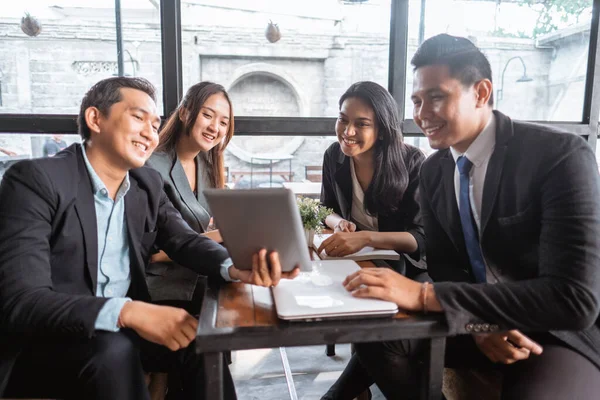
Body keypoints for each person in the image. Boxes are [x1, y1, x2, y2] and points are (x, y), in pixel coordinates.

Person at [335, 34, 600, 399]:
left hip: (554, 333)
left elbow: (575, 300)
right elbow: (446, 268)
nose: (422, 114)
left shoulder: (558, 156)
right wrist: (477, 322)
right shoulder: (434, 172)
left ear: (481, 92)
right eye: (416, 101)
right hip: (475, 320)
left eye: (437, 97)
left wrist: (427, 297)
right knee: (376, 336)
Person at [0, 76, 299, 400]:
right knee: (113, 352)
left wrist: (234, 266)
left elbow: (184, 240)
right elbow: (22, 302)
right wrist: (129, 312)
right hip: (52, 340)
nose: (149, 132)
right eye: (138, 117)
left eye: (155, 123)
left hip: (123, 332)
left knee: (203, 339)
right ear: (95, 118)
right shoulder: (36, 180)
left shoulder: (146, 183)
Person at [319, 81, 428, 400]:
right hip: (357, 258)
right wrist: (338, 222)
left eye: (361, 123)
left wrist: (368, 238)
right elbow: (326, 208)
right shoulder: (334, 157)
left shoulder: (412, 162)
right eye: (342, 119)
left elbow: (422, 239)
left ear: (381, 129)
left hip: (407, 267)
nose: (347, 131)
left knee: (371, 325)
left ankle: (340, 396)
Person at [145, 82, 234, 309]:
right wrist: (223, 235)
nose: (215, 127)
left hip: (201, 271)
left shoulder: (206, 163)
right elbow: (156, 255)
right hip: (165, 285)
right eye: (207, 115)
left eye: (224, 122)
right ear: (185, 113)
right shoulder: (152, 166)